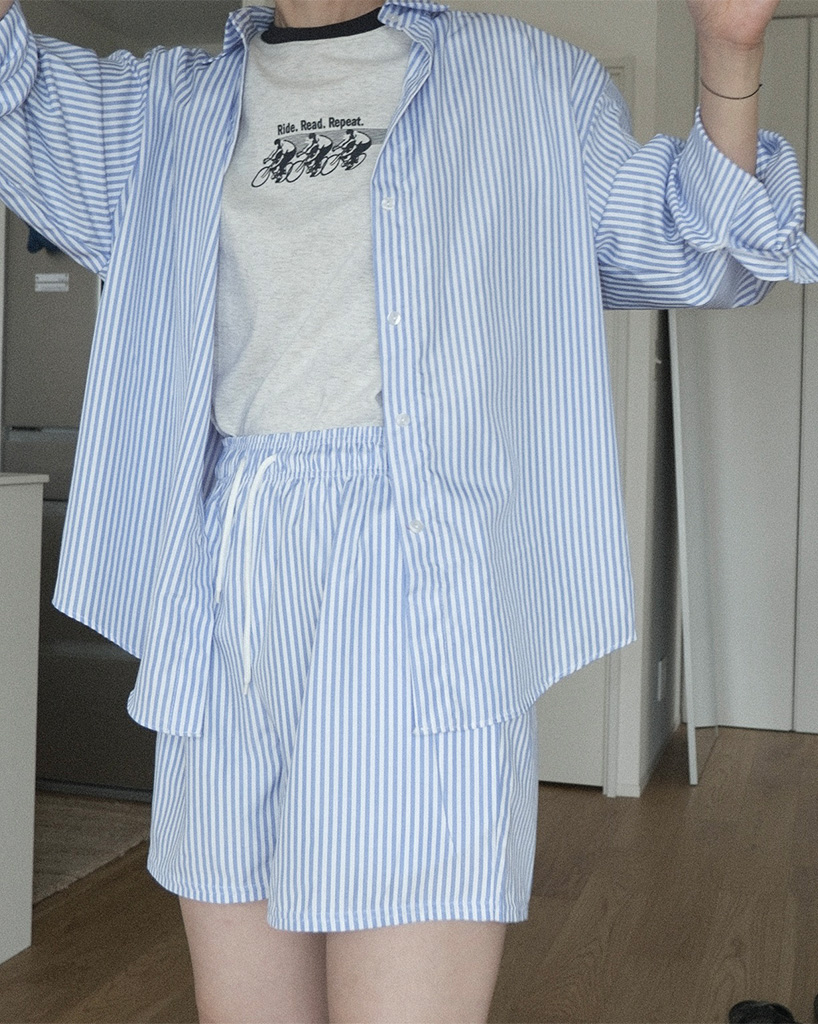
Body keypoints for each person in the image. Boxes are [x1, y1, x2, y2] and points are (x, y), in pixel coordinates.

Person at [0, 0, 816, 1021]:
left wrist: (730, 46)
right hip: (227, 575)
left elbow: (709, 250)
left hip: (417, 579)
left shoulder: (525, 83)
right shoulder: (168, 106)